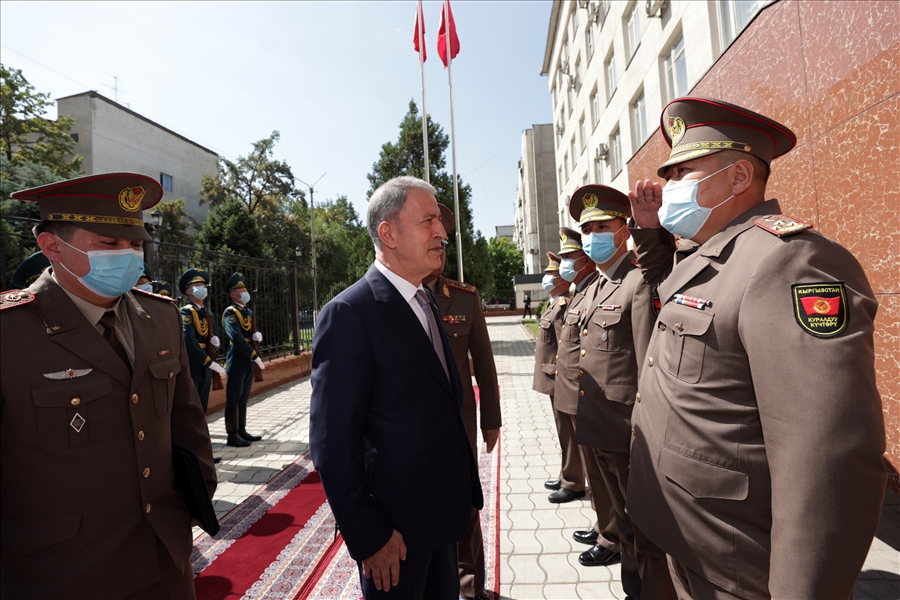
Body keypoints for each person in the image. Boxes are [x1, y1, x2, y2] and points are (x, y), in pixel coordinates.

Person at [626, 97, 886, 599]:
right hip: (687, 535)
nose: (670, 188)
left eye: (684, 173)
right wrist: (650, 230)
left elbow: (825, 458)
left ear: (740, 176)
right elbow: (664, 285)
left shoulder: (790, 263)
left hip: (737, 565)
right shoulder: (713, 253)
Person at [0, 173, 217, 598]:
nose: (130, 255)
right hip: (63, 573)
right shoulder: (10, 333)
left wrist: (194, 498)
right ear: (51, 246)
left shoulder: (161, 318)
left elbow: (186, 420)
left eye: (135, 244)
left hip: (164, 558)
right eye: (110, 244)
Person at [310, 176, 482, 599]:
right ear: (388, 233)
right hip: (394, 539)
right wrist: (369, 535)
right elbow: (333, 445)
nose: (443, 232)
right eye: (429, 221)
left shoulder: (425, 302)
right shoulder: (350, 313)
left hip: (441, 520)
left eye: (440, 222)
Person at [566, 185, 670, 596]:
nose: (592, 236)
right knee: (625, 526)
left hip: (629, 433)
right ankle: (634, 588)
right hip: (600, 430)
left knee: (646, 532)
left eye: (602, 226)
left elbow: (647, 363)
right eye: (587, 228)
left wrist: (645, 433)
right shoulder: (594, 286)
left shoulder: (637, 281)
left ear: (624, 232)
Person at [424, 204, 500, 600]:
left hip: (459, 422)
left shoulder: (465, 299)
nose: (437, 246)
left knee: (466, 504)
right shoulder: (395, 298)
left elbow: (484, 366)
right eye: (430, 238)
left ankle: (470, 586)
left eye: (442, 241)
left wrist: (491, 420)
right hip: (414, 428)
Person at [552, 226, 621, 567]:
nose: (565, 264)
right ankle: (604, 525)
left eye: (569, 257)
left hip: (597, 396)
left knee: (606, 473)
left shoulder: (604, 285)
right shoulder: (584, 289)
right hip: (579, 392)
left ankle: (612, 535)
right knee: (595, 470)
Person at [531, 252, 575, 497]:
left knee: (569, 432)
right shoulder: (553, 303)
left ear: (562, 279)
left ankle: (573, 481)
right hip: (552, 377)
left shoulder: (563, 305)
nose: (546, 278)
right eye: (546, 273)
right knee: (562, 431)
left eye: (551, 274)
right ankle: (565, 474)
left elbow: (564, 345)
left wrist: (564, 379)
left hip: (560, 379)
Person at [180, 268, 225, 463]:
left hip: (206, 367)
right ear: (188, 291)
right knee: (193, 413)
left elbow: (207, 336)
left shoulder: (207, 313)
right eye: (197, 286)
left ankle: (203, 452)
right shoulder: (186, 312)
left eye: (203, 286)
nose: (202, 289)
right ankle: (193, 454)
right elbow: (188, 341)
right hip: (196, 366)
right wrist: (209, 362)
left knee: (202, 410)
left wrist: (216, 341)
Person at [221, 272, 265, 447]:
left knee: (243, 397)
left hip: (247, 360)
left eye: (245, 289)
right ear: (232, 294)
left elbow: (248, 333)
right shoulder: (230, 313)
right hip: (239, 357)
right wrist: (254, 355)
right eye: (241, 290)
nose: (245, 292)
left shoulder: (247, 311)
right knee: (233, 397)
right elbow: (237, 338)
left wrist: (256, 336)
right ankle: (232, 435)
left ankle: (242, 430)